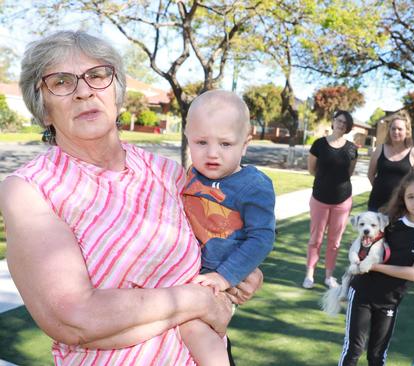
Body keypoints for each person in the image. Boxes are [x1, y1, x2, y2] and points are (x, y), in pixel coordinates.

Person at [0, 30, 261, 365]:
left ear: (117, 94)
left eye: (97, 76)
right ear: (44, 109)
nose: (84, 91)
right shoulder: (32, 189)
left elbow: (219, 247)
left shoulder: (168, 174)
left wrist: (240, 273)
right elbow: (75, 319)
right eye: (62, 82)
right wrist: (198, 302)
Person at [179, 90, 275, 365]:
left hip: (218, 282)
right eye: (201, 142)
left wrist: (224, 277)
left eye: (225, 144)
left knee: (194, 330)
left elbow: (262, 238)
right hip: (188, 275)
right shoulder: (191, 175)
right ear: (188, 138)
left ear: (245, 144)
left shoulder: (253, 185)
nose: (212, 153)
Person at [339, 169, 414, 366]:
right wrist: (359, 260)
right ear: (402, 198)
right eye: (411, 197)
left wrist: (373, 266)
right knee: (353, 349)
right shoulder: (389, 221)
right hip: (363, 292)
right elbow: (361, 245)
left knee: (377, 355)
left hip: (390, 300)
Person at [303, 110, 358, 289]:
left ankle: (328, 276)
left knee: (334, 242)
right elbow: (312, 169)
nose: (341, 124)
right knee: (315, 240)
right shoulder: (319, 144)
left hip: (342, 201)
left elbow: (348, 173)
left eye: (345, 123)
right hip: (319, 198)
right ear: (333, 122)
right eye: (339, 120)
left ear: (348, 127)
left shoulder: (351, 148)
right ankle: (309, 275)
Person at [367, 111, 414, 212]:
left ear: (407, 131)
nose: (396, 132)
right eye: (393, 129)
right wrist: (380, 189)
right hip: (377, 204)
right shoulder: (380, 149)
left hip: (401, 207)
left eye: (400, 129)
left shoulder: (413, 153)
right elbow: (370, 174)